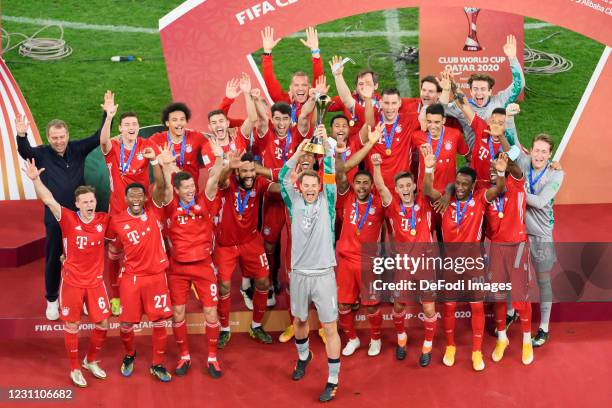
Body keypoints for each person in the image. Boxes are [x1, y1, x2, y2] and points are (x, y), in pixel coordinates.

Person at [15, 94, 109, 320]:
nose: (59, 141)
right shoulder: (42, 153)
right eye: (54, 137)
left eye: (62, 136)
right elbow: (25, 151)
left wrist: (108, 115)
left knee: (86, 258)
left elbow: (98, 137)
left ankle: (88, 297)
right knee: (53, 256)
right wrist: (21, 134)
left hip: (80, 216)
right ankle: (51, 300)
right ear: (48, 137)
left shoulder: (77, 148)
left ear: (68, 135)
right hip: (56, 216)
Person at [23, 159, 110, 387]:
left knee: (103, 323)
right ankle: (74, 368)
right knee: (72, 325)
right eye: (84, 202)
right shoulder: (68, 218)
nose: (89, 204)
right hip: (72, 282)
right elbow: (48, 199)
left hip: (96, 283)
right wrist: (35, 179)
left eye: (92, 201)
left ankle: (90, 361)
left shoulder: (104, 221)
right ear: (77, 204)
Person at [422, 144, 507, 371]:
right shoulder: (445, 201)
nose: (459, 187)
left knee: (476, 307)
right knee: (448, 307)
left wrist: (500, 172)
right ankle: (450, 346)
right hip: (450, 264)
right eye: (457, 183)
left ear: (472, 186)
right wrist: (429, 169)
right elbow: (428, 190)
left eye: (464, 184)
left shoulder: (480, 200)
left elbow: (499, 188)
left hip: (474, 264)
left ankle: (476, 352)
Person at [279, 127, 341, 402]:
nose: (311, 189)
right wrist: (299, 152)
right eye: (306, 186)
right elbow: (282, 176)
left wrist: (324, 146)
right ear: (300, 188)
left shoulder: (328, 201)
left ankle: (333, 379)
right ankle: (304, 357)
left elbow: (328, 172)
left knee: (329, 328)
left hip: (324, 274)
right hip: (300, 274)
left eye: (315, 186)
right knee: (300, 320)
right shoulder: (293, 202)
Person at [107, 145, 176, 382]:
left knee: (159, 322)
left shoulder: (154, 210)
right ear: (125, 199)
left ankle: (157, 364)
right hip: (131, 278)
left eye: (140, 195)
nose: (136, 199)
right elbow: (111, 251)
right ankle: (129, 353)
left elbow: (162, 185)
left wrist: (156, 162)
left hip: (156, 276)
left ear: (145, 197)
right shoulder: (116, 221)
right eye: (132, 196)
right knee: (126, 323)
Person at [165, 138, 225, 378]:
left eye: (192, 186)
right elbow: (166, 185)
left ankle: (212, 358)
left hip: (203, 267)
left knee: (211, 313)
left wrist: (220, 157)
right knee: (178, 314)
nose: (191, 190)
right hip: (177, 269)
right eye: (186, 187)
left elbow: (213, 179)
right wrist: (165, 164)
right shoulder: (170, 203)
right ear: (177, 190)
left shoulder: (204, 199)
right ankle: (184, 356)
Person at [371, 155, 438, 367]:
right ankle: (401, 338)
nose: (406, 188)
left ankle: (427, 345)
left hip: (425, 264)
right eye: (401, 186)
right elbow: (380, 187)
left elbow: (428, 185)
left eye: (409, 185)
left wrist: (429, 167)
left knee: (428, 309)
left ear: (413, 188)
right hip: (403, 266)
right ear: (397, 190)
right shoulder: (392, 206)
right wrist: (376, 165)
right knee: (399, 305)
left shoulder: (423, 201)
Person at [99, 92, 159, 315]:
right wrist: (108, 116)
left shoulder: (146, 144)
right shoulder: (113, 147)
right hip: (117, 212)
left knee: (144, 254)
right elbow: (103, 141)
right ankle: (115, 296)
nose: (131, 127)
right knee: (114, 252)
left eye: (134, 124)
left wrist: (156, 159)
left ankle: (147, 294)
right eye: (126, 124)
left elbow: (162, 161)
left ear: (138, 127)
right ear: (121, 129)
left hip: (142, 211)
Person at [214, 152, 281, 347]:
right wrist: (228, 167)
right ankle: (224, 329)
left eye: (252, 170)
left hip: (251, 241)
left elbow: (275, 188)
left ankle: (256, 325)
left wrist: (289, 182)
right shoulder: (229, 183)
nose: (249, 175)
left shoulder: (259, 182)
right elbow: (219, 181)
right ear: (237, 172)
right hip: (225, 244)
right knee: (224, 286)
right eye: (244, 171)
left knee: (263, 282)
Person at [334, 125, 388, 357]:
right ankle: (353, 339)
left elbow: (383, 188)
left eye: (366, 183)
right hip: (346, 261)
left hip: (368, 262)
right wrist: (339, 151)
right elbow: (340, 170)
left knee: (371, 305)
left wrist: (375, 167)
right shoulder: (346, 198)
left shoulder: (378, 203)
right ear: (353, 185)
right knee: (344, 305)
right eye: (359, 183)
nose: (362, 187)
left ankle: (376, 339)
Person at [484, 134, 534, 365]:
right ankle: (502, 338)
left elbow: (513, 167)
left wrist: (506, 163)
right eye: (493, 170)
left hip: (518, 248)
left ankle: (526, 340)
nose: (497, 173)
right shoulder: (488, 195)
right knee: (498, 296)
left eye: (500, 169)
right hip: (497, 250)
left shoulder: (517, 183)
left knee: (520, 298)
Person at [515, 134, 564, 347]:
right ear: (531, 150)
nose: (540, 155)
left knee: (543, 280)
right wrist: (510, 119)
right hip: (519, 231)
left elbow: (542, 201)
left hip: (541, 234)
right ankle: (512, 312)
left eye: (545, 151)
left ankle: (544, 326)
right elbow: (512, 144)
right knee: (516, 275)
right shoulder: (525, 161)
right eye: (537, 150)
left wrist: (515, 192)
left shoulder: (557, 173)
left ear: (550, 154)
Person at [443, 35, 525, 148]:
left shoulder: (500, 100)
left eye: (483, 89)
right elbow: (440, 110)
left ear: (490, 91)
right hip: (476, 161)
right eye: (475, 89)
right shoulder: (461, 107)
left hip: (501, 157)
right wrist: (447, 88)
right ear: (470, 92)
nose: (479, 93)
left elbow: (519, 85)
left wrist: (512, 58)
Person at [260, 26, 324, 122]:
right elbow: (269, 80)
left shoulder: (313, 99)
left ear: (310, 88)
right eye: (296, 85)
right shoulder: (284, 101)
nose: (300, 88)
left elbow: (319, 80)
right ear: (290, 88)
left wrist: (315, 51)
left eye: (304, 85)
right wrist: (267, 52)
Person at [149, 102, 208, 188]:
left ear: (186, 121)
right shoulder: (157, 139)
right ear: (167, 123)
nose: (179, 123)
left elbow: (214, 144)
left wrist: (228, 131)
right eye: (174, 120)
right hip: (168, 194)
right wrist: (122, 138)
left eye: (182, 119)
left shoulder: (197, 137)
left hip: (191, 193)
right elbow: (140, 145)